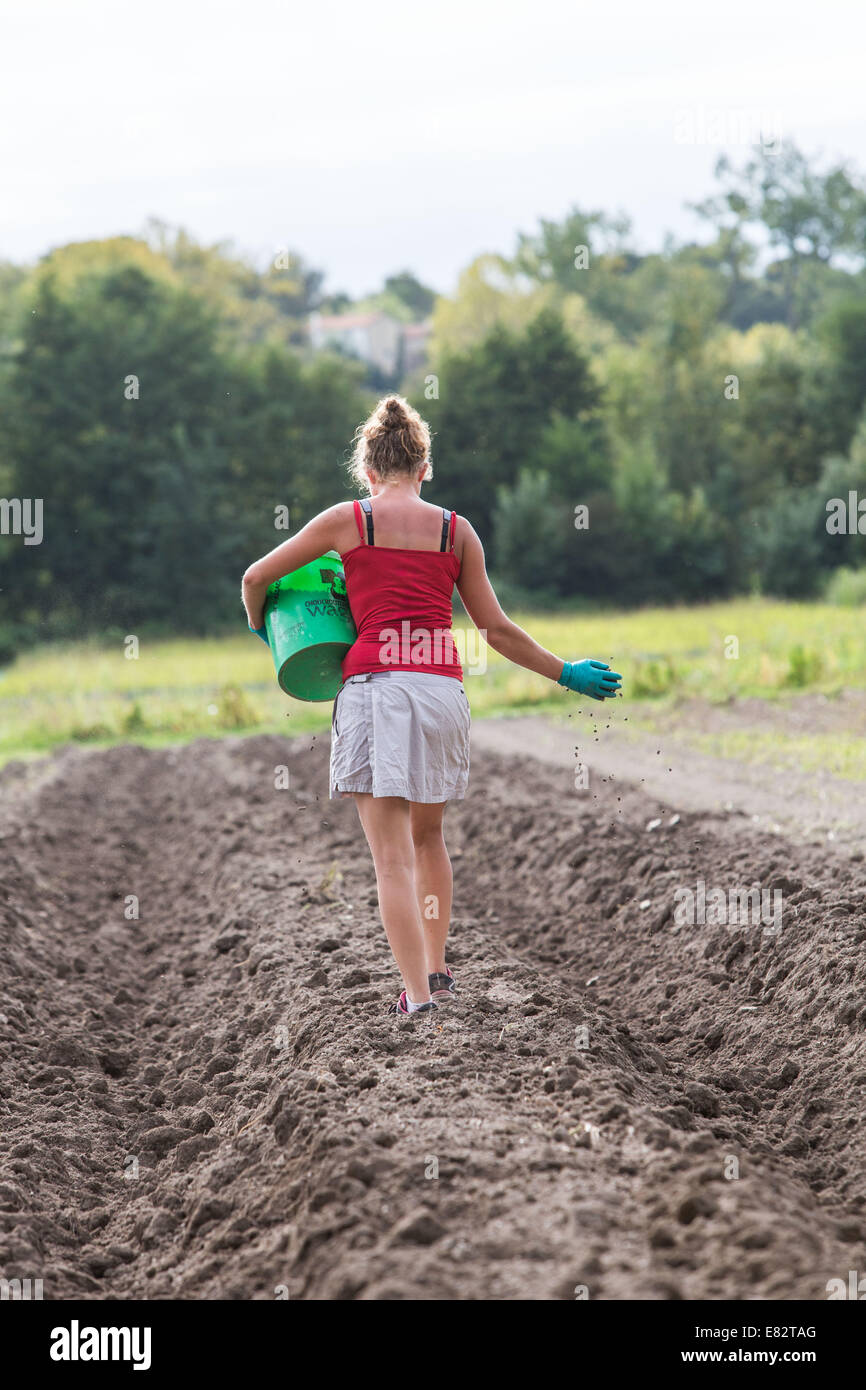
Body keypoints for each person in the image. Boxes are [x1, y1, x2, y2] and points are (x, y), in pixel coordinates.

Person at [241, 395, 622, 1016]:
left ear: (367, 472)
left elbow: (256, 578)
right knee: (429, 838)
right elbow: (495, 630)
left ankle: (417, 999)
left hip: (376, 687)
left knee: (389, 858)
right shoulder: (455, 530)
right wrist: (566, 672)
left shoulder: (349, 521)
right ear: (425, 469)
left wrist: (268, 632)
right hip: (442, 689)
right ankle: (439, 972)